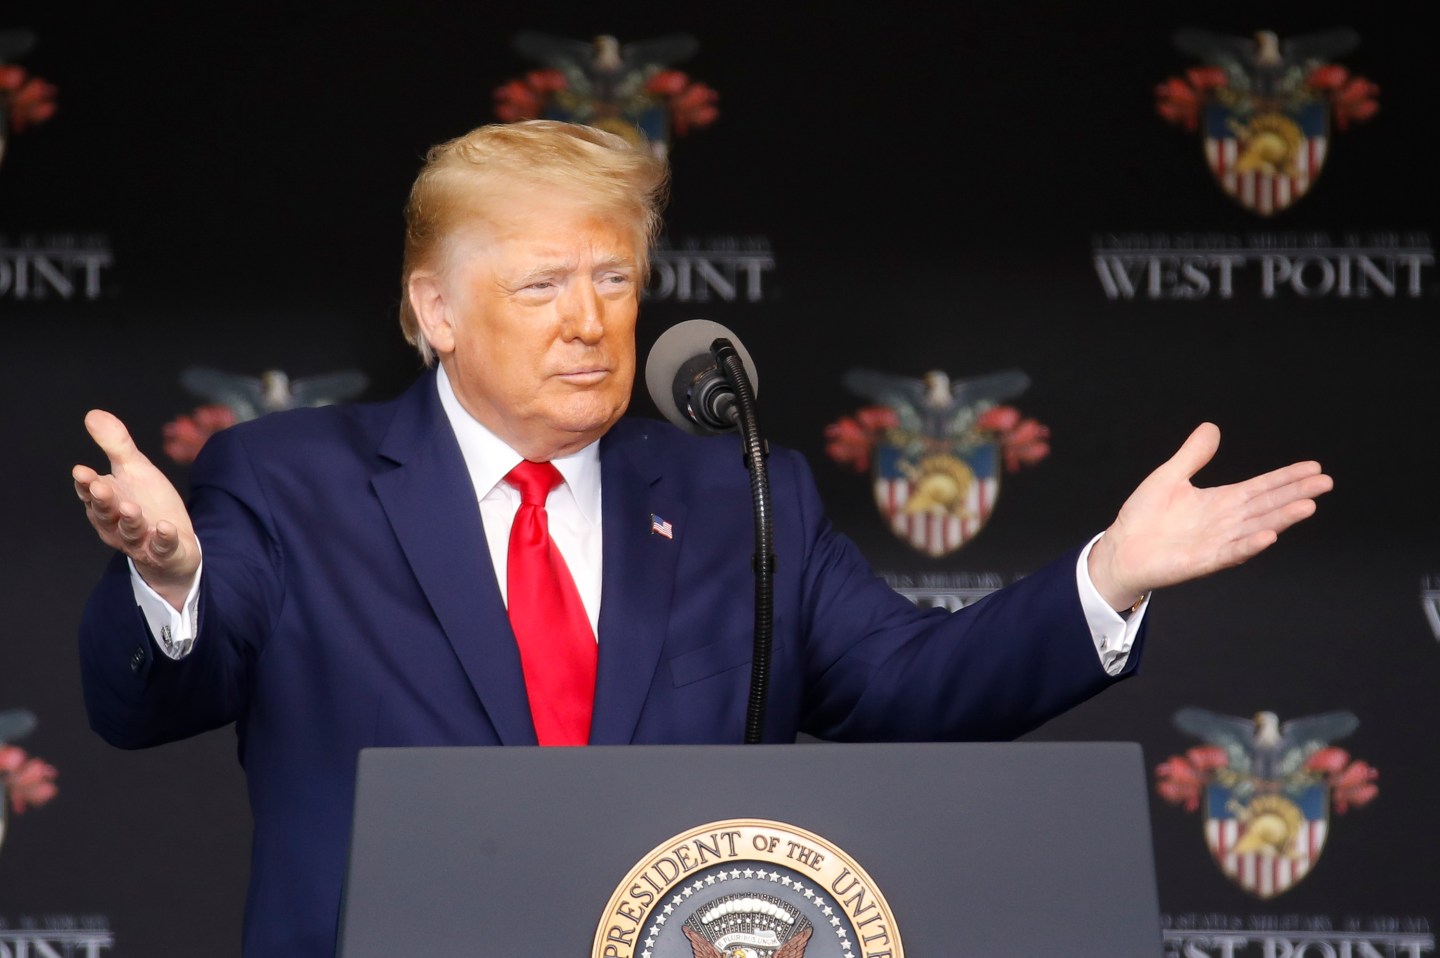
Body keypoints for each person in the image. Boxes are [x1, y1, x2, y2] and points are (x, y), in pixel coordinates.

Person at [72, 120, 1332, 957]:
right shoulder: (292, 478)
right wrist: (169, 572)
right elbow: (154, 697)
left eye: (614, 280)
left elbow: (907, 689)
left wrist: (1106, 575)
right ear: (433, 308)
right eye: (540, 286)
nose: (588, 322)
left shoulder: (739, 491)